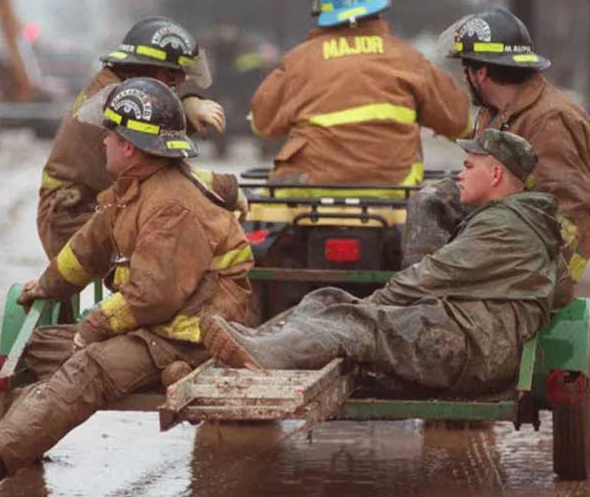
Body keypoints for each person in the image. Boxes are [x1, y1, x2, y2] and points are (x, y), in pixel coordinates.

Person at [0, 78, 254, 497]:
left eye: (110, 134)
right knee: (38, 349)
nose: (103, 142)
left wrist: (93, 327)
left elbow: (153, 298)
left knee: (88, 367)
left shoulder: (170, 204)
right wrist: (48, 284)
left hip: (189, 330)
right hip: (161, 323)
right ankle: (152, 379)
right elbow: (87, 249)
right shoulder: (130, 190)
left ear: (130, 147)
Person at [202, 130, 565, 395]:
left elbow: (430, 277)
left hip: (475, 348)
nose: (460, 174)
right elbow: (560, 288)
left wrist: (367, 306)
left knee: (355, 320)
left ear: (497, 174)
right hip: (470, 331)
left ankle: (265, 354)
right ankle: (261, 342)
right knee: (327, 299)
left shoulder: (506, 226)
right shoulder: (515, 219)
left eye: (469, 167)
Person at [403, 6, 590, 284]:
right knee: (432, 200)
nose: (464, 78)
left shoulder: (551, 122)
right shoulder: (495, 112)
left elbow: (567, 215)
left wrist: (536, 282)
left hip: (537, 262)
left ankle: (434, 296)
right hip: (507, 226)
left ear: (482, 73)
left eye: (466, 69)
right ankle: (421, 291)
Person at [249, 0, 470, 188]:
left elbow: (261, 123)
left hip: (310, 193)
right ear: (378, 10)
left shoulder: (299, 61)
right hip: (392, 192)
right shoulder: (408, 60)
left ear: (325, 14)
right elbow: (459, 122)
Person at [38, 15, 240, 259]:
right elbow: (156, 170)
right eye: (173, 75)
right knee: (182, 245)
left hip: (82, 207)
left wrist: (185, 105)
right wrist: (224, 188)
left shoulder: (117, 91)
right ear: (148, 68)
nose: (180, 82)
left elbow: (149, 129)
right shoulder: (112, 101)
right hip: (72, 216)